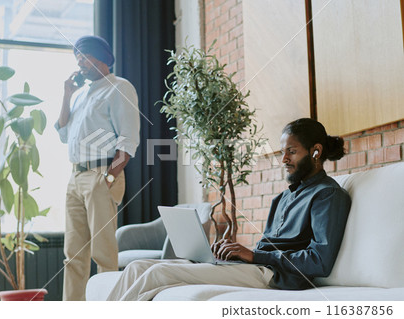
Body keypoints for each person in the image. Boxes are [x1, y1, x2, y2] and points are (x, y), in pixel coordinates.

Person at [106, 118, 351, 301]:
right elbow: (268, 247)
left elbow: (320, 261)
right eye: (283, 151)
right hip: (256, 267)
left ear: (316, 152)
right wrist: (235, 253)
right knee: (137, 267)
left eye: (292, 151)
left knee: (158, 274)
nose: (284, 159)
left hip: (276, 277)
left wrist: (254, 256)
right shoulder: (283, 198)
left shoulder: (327, 195)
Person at [55, 35, 140, 301]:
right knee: (73, 255)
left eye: (83, 55)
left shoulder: (119, 87)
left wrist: (110, 176)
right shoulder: (80, 95)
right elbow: (63, 134)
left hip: (101, 175)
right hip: (75, 177)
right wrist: (67, 94)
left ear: (100, 57)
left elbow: (128, 139)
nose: (79, 61)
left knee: (103, 252)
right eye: (76, 57)